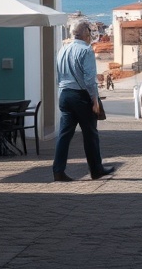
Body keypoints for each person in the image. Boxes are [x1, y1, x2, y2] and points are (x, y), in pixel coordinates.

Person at [52, 21, 115, 182]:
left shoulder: (63, 49)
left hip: (64, 94)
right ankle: (96, 169)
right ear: (85, 33)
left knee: (64, 135)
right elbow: (89, 79)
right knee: (90, 134)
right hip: (81, 96)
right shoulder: (86, 50)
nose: (91, 34)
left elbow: (58, 74)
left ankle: (58, 170)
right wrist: (94, 100)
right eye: (90, 30)